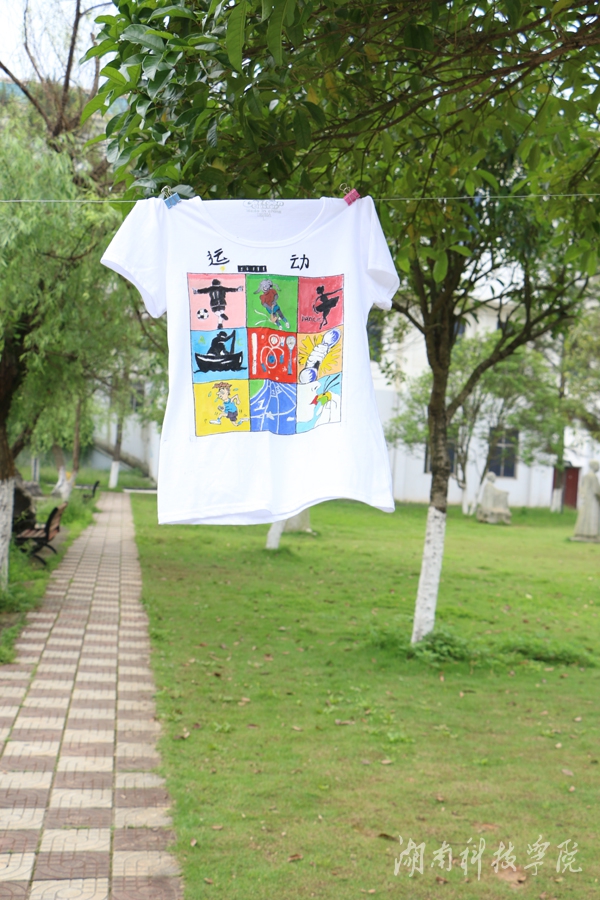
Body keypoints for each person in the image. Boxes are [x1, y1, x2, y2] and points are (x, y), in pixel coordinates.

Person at [572, 460, 600, 541]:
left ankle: (581, 532)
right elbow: (596, 491)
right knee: (592, 516)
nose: (598, 467)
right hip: (593, 501)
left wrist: (584, 496)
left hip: (586, 500)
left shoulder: (586, 476)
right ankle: (591, 533)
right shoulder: (593, 477)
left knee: (584, 516)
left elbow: (582, 488)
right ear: (594, 466)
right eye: (597, 466)